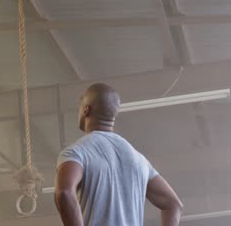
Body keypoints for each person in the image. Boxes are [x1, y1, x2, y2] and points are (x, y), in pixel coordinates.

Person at [54, 83, 183, 226]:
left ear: (86, 110)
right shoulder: (139, 160)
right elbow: (173, 204)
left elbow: (64, 192)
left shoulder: (77, 152)